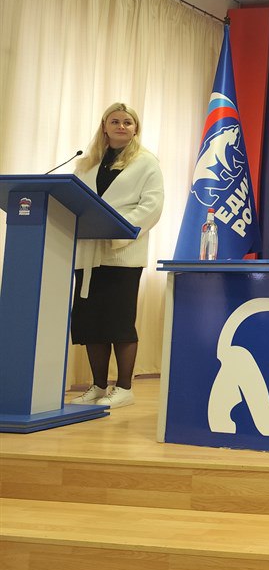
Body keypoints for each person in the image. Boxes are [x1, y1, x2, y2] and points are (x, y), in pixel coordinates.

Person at [69, 102, 164, 410]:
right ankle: (98, 386)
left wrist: (116, 228)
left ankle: (124, 388)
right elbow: (73, 201)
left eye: (127, 122)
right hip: (88, 254)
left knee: (118, 323)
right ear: (104, 127)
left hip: (122, 255)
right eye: (115, 121)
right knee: (91, 324)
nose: (121, 126)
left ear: (135, 129)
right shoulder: (86, 164)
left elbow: (151, 206)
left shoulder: (146, 162)